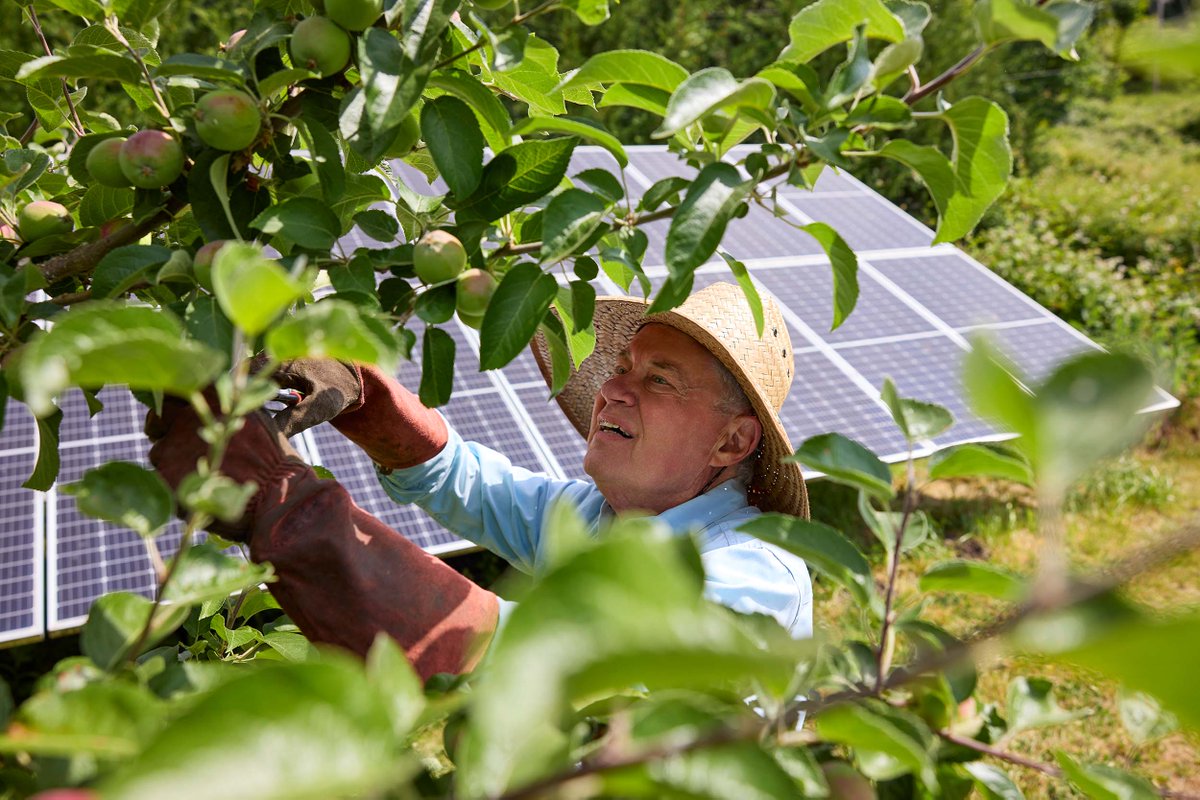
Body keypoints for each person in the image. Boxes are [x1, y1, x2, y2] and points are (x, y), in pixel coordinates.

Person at [147, 282, 812, 681]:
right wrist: (365, 395)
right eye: (625, 366)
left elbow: (542, 666)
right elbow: (477, 485)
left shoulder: (752, 579)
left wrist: (279, 503)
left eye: (657, 380)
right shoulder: (604, 519)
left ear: (732, 442)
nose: (611, 389)